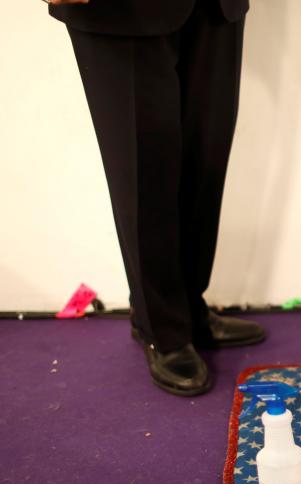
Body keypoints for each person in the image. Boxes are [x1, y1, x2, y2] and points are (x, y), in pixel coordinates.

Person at [47, 0, 265, 396]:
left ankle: (188, 308)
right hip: (118, 10)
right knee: (142, 168)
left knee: (206, 155)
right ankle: (160, 327)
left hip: (214, 6)